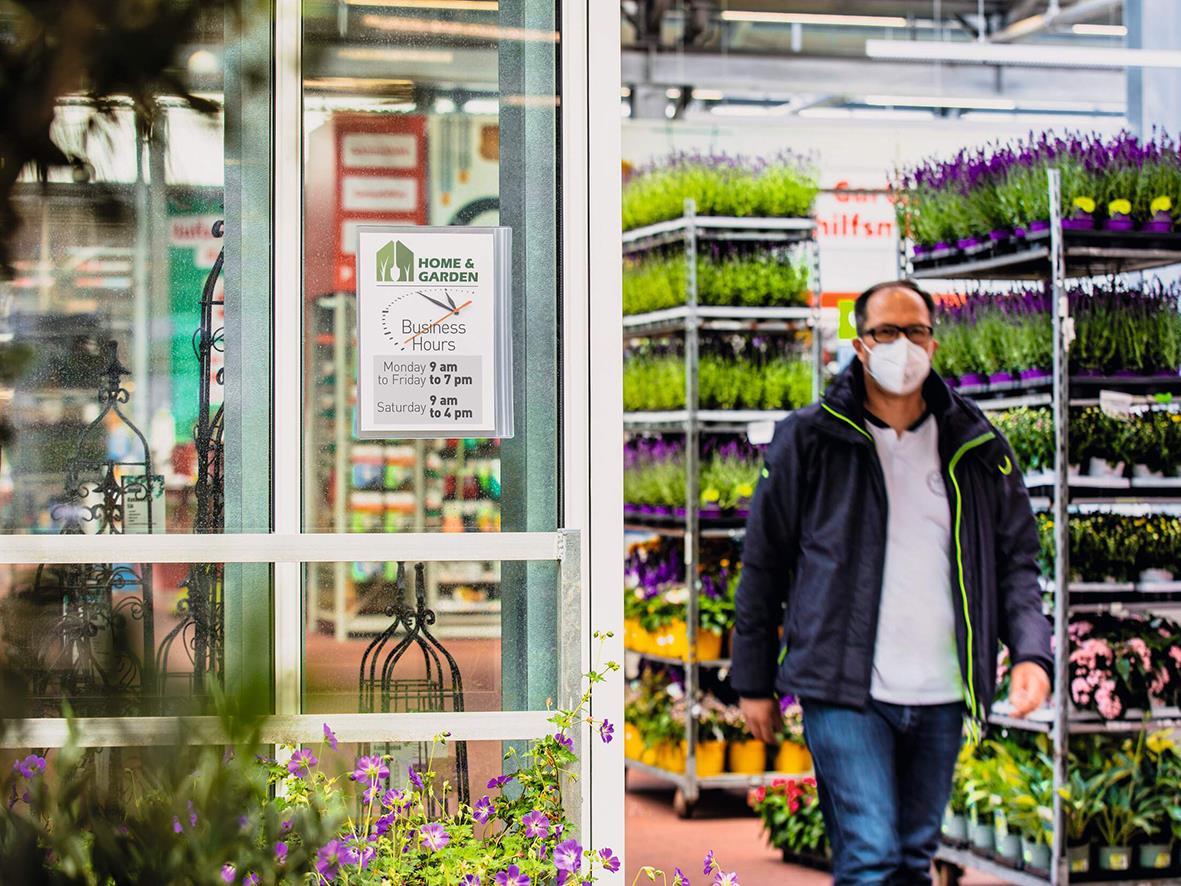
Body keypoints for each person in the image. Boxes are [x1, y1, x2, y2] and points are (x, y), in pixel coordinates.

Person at [730, 280, 1052, 885]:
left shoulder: (976, 445)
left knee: (910, 858)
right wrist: (752, 680)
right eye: (886, 332)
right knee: (871, 854)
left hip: (943, 690)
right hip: (844, 689)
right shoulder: (810, 438)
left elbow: (1016, 562)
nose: (902, 345)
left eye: (916, 331)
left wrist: (1032, 651)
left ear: (934, 342)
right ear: (859, 343)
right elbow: (764, 562)